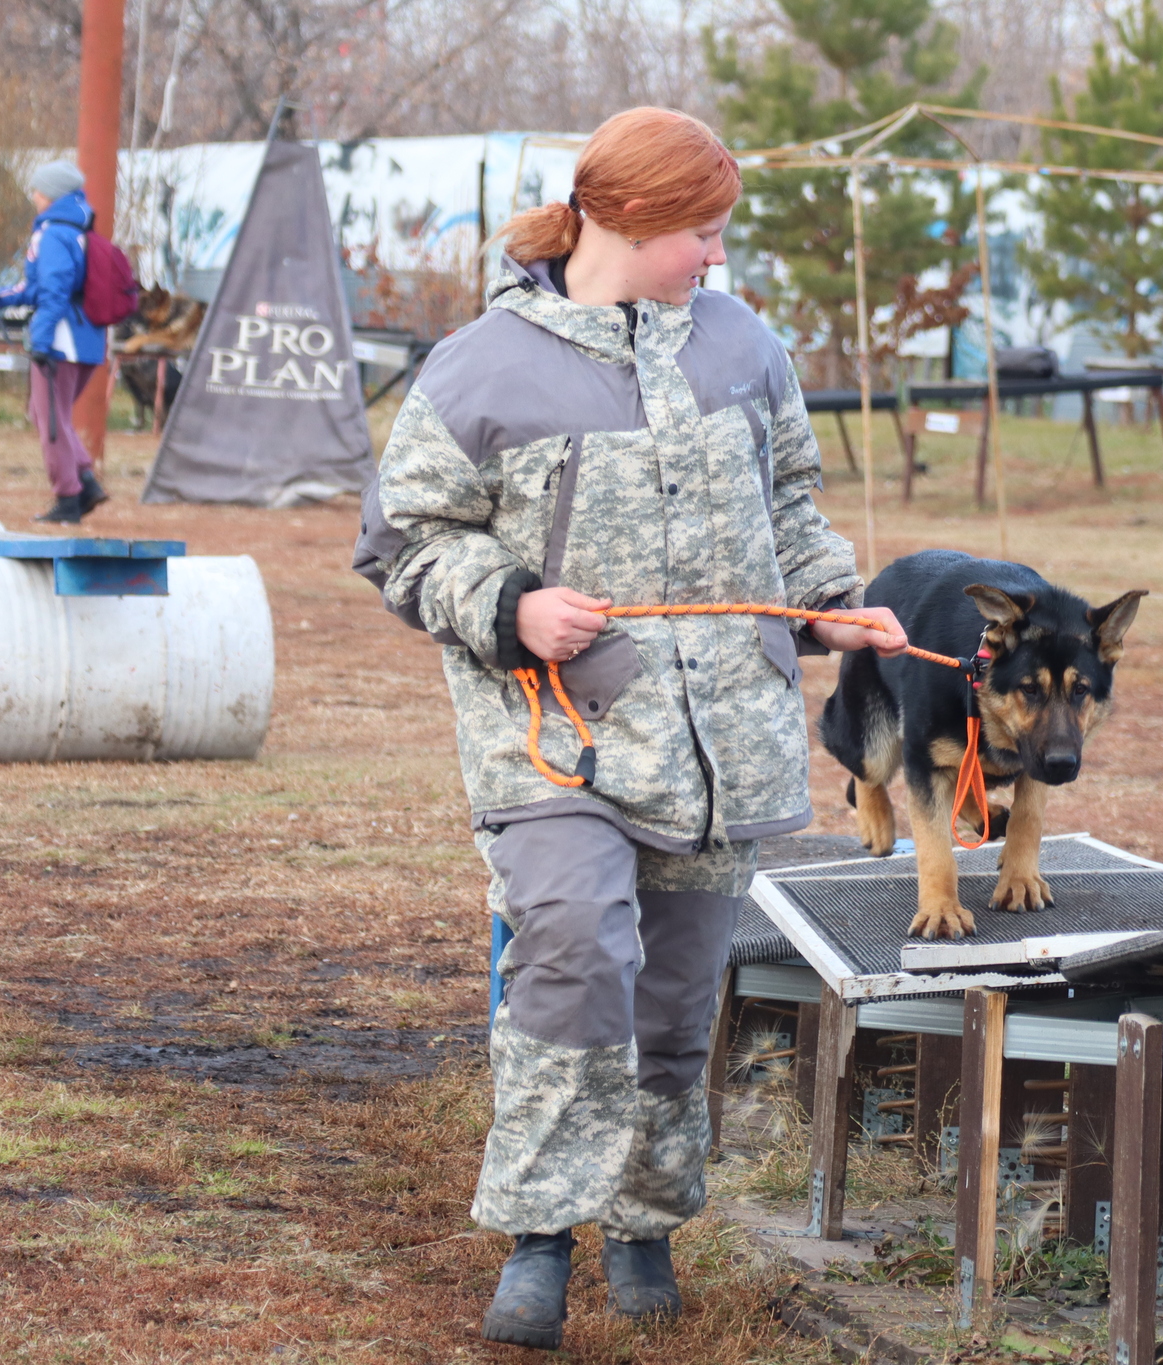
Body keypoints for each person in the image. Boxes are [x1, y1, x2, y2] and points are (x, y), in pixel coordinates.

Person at [351, 107, 907, 1349]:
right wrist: (508, 605)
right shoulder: (479, 371)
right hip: (556, 737)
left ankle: (644, 1222)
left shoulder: (742, 347)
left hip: (717, 744)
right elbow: (403, 548)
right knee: (571, 949)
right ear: (626, 219)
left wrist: (827, 609)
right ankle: (540, 1238)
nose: (713, 258)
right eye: (700, 234)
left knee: (671, 994)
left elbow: (790, 504)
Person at [0, 160, 110, 524]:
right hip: (87, 339)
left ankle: (68, 498)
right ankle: (85, 482)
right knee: (53, 417)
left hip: (61, 340)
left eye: (38, 190)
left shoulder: (54, 232)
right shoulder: (79, 229)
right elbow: (39, 287)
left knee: (49, 421)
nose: (35, 196)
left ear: (52, 195)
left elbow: (53, 292)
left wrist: (39, 341)